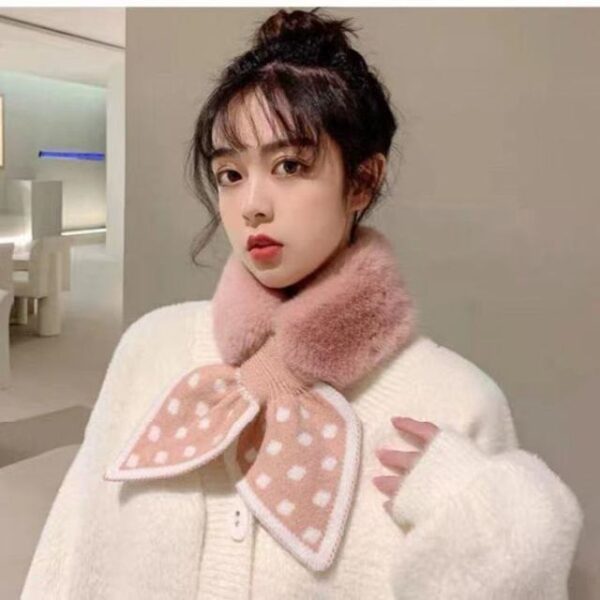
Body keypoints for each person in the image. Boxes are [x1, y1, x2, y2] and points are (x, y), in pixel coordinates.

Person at [22, 8, 583, 600]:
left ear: (362, 181)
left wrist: (485, 532)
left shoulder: (454, 402)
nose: (252, 205)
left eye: (289, 166)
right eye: (230, 174)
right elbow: (67, 559)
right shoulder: (151, 350)